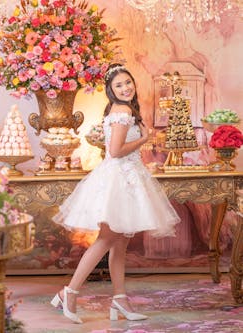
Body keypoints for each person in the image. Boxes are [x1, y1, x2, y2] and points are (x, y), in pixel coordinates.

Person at [51, 64, 181, 323]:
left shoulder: (124, 110)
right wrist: (144, 140)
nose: (125, 88)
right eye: (118, 85)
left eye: (127, 82)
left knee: (120, 243)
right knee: (106, 239)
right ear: (111, 90)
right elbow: (116, 150)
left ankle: (119, 300)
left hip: (126, 179)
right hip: (119, 181)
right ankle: (70, 292)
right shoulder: (121, 111)